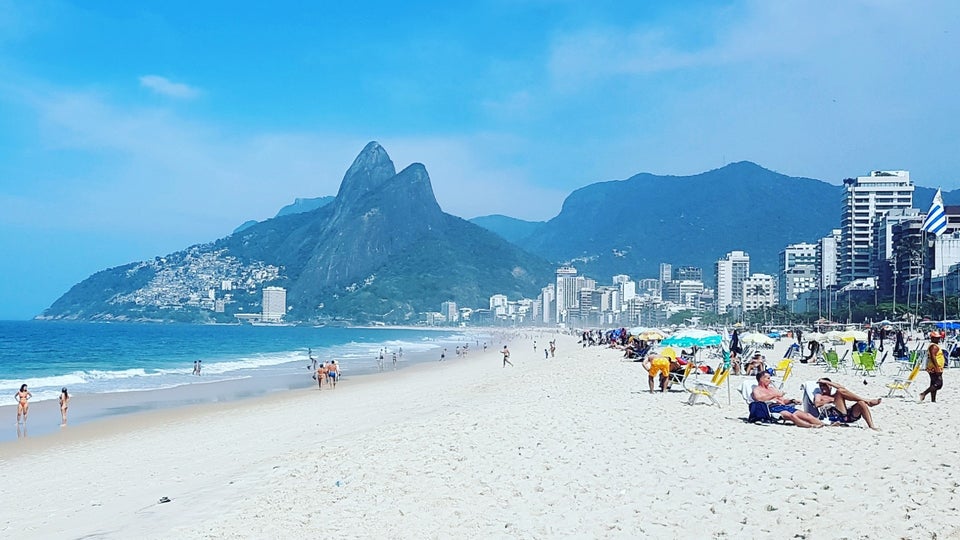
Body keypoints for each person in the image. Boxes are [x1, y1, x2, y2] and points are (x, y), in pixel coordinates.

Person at [752, 372, 823, 428]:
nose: (770, 380)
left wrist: (792, 401)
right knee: (791, 416)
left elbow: (783, 401)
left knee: (807, 415)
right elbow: (758, 399)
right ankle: (810, 426)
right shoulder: (757, 389)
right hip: (772, 408)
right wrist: (775, 395)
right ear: (761, 379)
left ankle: (821, 424)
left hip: (783, 406)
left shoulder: (772, 389)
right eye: (768, 378)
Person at [815, 378, 881, 430]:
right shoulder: (819, 395)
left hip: (846, 416)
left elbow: (842, 388)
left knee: (861, 403)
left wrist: (827, 382)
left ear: (830, 386)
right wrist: (831, 400)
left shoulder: (835, 395)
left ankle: (871, 426)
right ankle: (867, 401)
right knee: (839, 391)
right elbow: (817, 404)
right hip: (834, 416)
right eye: (820, 386)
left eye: (824, 385)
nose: (822, 387)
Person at [921, 331, 946, 403]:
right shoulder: (934, 346)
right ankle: (924, 394)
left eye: (938, 338)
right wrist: (937, 368)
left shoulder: (934, 345)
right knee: (939, 384)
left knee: (933, 383)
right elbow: (933, 357)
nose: (938, 339)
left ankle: (933, 400)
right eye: (936, 338)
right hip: (934, 368)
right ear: (932, 338)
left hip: (933, 367)